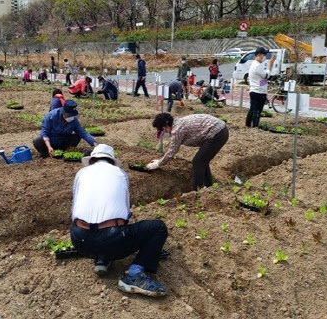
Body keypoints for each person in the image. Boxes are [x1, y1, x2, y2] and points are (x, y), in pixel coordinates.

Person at [71, 144, 168, 297]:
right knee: (157, 228)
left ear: (92, 160)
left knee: (94, 224)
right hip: (110, 240)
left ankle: (101, 259)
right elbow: (124, 211)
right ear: (111, 160)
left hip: (78, 240)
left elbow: (74, 209)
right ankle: (133, 275)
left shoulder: (81, 173)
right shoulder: (119, 173)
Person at [146, 113, 228, 191]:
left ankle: (197, 190)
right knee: (202, 160)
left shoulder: (177, 130)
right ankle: (208, 186)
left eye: (162, 130)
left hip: (217, 133)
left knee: (198, 161)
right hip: (218, 129)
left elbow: (172, 151)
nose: (165, 133)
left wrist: (158, 164)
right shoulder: (178, 123)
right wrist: (160, 161)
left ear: (166, 126)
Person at [33, 100, 97, 158]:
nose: (71, 117)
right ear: (64, 113)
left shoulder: (73, 120)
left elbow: (83, 133)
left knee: (77, 136)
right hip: (52, 140)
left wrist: (94, 143)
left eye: (72, 115)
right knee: (37, 140)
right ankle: (47, 154)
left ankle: (66, 151)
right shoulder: (51, 116)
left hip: (64, 141)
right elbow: (45, 132)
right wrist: (49, 147)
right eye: (69, 115)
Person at [245, 47, 275, 128]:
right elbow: (266, 75)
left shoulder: (254, 65)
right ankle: (255, 126)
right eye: (263, 55)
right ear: (258, 55)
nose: (264, 57)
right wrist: (270, 65)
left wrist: (266, 83)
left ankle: (248, 125)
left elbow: (259, 80)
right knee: (257, 111)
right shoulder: (257, 66)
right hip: (258, 92)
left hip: (255, 90)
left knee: (252, 109)